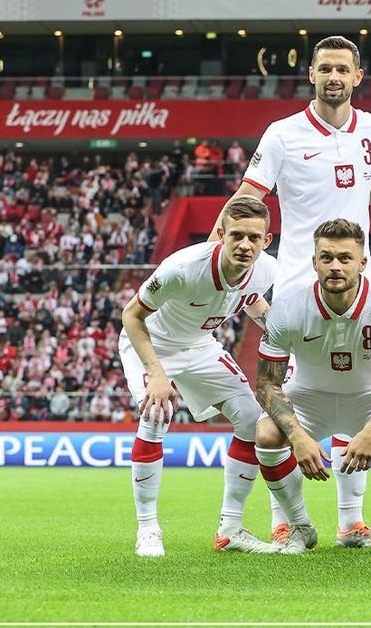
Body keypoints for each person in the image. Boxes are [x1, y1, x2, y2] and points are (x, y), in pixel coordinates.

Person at [213, 35, 371, 549]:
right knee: (287, 402)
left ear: (358, 77)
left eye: (343, 69)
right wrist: (216, 262)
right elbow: (247, 198)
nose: (333, 76)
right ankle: (286, 518)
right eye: (325, 68)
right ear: (310, 74)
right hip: (294, 288)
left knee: (358, 391)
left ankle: (351, 521)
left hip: (362, 283)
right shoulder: (283, 133)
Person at [118, 196, 277, 557]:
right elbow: (131, 316)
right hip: (151, 344)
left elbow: (251, 299)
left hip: (200, 345)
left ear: (266, 240)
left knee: (253, 421)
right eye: (237, 235)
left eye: (255, 237)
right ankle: (147, 529)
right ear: (221, 234)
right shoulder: (183, 268)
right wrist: (157, 374)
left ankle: (231, 529)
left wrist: (279, 333)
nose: (245, 245)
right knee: (157, 413)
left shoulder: (268, 269)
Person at [253, 219, 371, 556]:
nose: (335, 266)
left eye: (345, 258)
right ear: (314, 261)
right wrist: (299, 436)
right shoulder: (288, 305)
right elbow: (266, 382)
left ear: (362, 263)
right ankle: (300, 527)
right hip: (309, 397)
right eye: (326, 257)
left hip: (369, 398)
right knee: (267, 435)